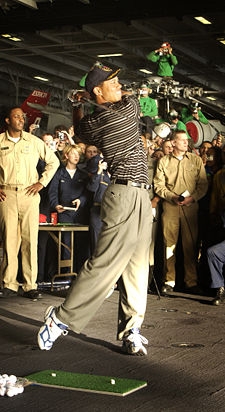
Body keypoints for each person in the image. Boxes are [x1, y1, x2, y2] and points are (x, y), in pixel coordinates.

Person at [38, 62, 152, 356]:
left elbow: (81, 129)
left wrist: (78, 105)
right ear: (97, 91)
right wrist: (84, 100)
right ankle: (60, 318)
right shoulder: (127, 110)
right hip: (125, 193)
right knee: (106, 263)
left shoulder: (91, 123)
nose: (120, 87)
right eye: (112, 83)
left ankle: (131, 330)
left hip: (140, 194)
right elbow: (127, 98)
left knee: (138, 266)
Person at [0, 107, 59, 299]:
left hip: (29, 194)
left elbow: (53, 162)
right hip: (7, 195)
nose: (21, 119)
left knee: (30, 240)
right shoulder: (0, 141)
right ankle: (9, 284)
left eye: (22, 117)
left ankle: (30, 285)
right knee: (9, 240)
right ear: (8, 120)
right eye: (16, 116)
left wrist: (41, 183)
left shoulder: (34, 141)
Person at [153, 130, 208, 293]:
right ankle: (169, 282)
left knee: (190, 245)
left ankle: (191, 282)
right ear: (174, 143)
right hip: (170, 207)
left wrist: (193, 198)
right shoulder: (164, 161)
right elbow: (158, 185)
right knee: (169, 245)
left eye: (187, 140)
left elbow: (203, 185)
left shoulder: (196, 160)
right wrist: (172, 197)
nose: (186, 142)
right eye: (182, 140)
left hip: (191, 208)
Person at [48, 144, 90, 273]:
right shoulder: (59, 174)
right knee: (66, 246)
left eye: (78, 154)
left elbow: (88, 192)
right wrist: (56, 205)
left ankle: (80, 277)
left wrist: (81, 200)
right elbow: (52, 192)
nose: (77, 156)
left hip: (80, 215)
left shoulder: (83, 175)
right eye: (73, 153)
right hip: (64, 215)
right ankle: (65, 276)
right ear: (66, 155)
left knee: (81, 246)